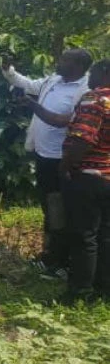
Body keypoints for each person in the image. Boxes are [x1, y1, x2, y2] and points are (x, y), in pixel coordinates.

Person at [3, 49, 92, 277]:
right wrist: (8, 71)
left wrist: (33, 106)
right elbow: (30, 84)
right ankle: (52, 256)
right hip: (44, 156)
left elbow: (65, 121)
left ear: (78, 66)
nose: (58, 62)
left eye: (64, 59)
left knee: (62, 211)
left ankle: (61, 262)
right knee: (50, 208)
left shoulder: (86, 90)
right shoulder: (53, 80)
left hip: (63, 161)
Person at [59, 59, 110, 302]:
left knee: (83, 235)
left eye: (93, 72)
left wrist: (65, 166)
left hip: (88, 176)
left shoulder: (95, 99)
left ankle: (79, 293)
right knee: (105, 235)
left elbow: (83, 139)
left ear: (104, 72)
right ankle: (103, 290)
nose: (89, 77)